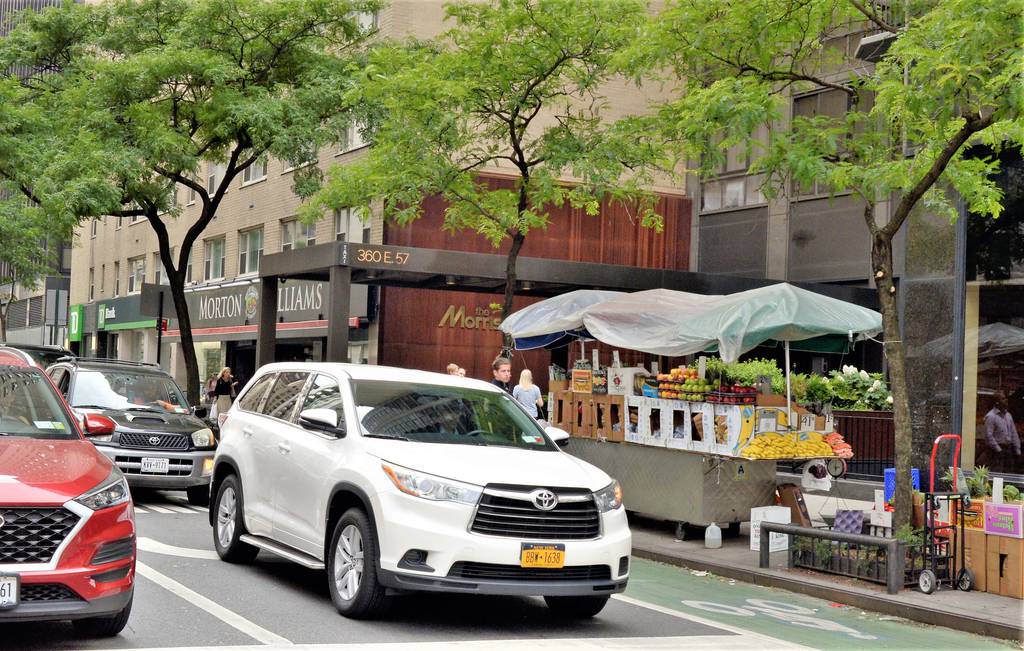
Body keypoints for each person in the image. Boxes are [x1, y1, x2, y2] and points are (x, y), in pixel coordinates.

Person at [984, 392, 1021, 472]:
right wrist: (998, 449)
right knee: (997, 473)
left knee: (1009, 472)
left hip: (1008, 448)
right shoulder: (991, 416)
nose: (1006, 400)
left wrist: (1017, 449)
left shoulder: (1008, 415)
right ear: (997, 402)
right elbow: (988, 435)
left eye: (1006, 398)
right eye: (1003, 399)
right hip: (996, 450)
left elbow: (1013, 433)